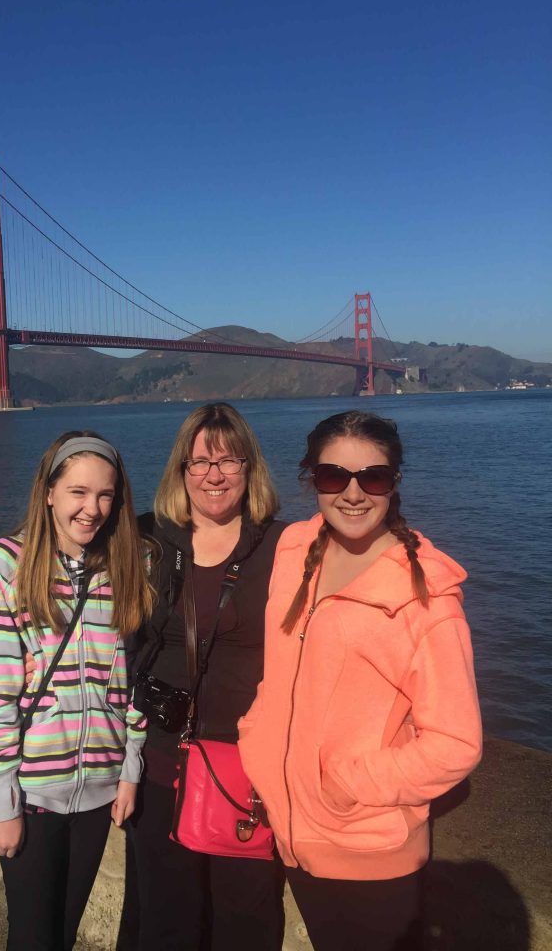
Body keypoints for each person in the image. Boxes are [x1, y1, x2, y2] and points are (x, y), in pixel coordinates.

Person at [238, 410, 483, 951]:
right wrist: (258, 734)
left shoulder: (424, 598)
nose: (353, 493)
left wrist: (346, 784)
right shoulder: (294, 550)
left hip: (369, 851)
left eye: (373, 477)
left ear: (394, 484)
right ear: (311, 479)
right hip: (290, 829)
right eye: (333, 476)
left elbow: (456, 744)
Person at [0, 431, 153, 951]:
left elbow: (132, 682)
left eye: (105, 495)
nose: (91, 509)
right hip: (34, 793)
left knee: (64, 933)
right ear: (48, 491)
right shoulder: (7, 564)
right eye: (78, 492)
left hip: (99, 789)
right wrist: (3, 804)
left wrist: (130, 770)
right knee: (31, 937)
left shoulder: (124, 568)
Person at [120, 403, 288, 951]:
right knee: (166, 921)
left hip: (246, 770)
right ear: (180, 471)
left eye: (228, 461)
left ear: (249, 468)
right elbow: (68, 547)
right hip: (162, 764)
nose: (213, 475)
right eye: (199, 463)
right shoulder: (149, 540)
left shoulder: (284, 546)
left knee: (246, 922)